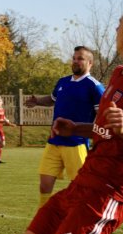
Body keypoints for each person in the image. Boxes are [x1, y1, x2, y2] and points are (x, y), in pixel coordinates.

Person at [16, 3, 123, 234]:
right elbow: (107, 131)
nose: (116, 29)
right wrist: (76, 128)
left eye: (120, 25)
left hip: (106, 194)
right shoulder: (119, 74)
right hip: (79, 185)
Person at [25, 46, 105, 207]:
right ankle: (44, 218)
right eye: (74, 58)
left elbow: (103, 117)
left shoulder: (95, 87)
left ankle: (80, 219)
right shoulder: (63, 82)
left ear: (90, 63)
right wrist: (37, 101)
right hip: (54, 141)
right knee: (44, 185)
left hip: (76, 143)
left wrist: (96, 136)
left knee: (81, 187)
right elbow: (53, 99)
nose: (75, 61)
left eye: (80, 58)